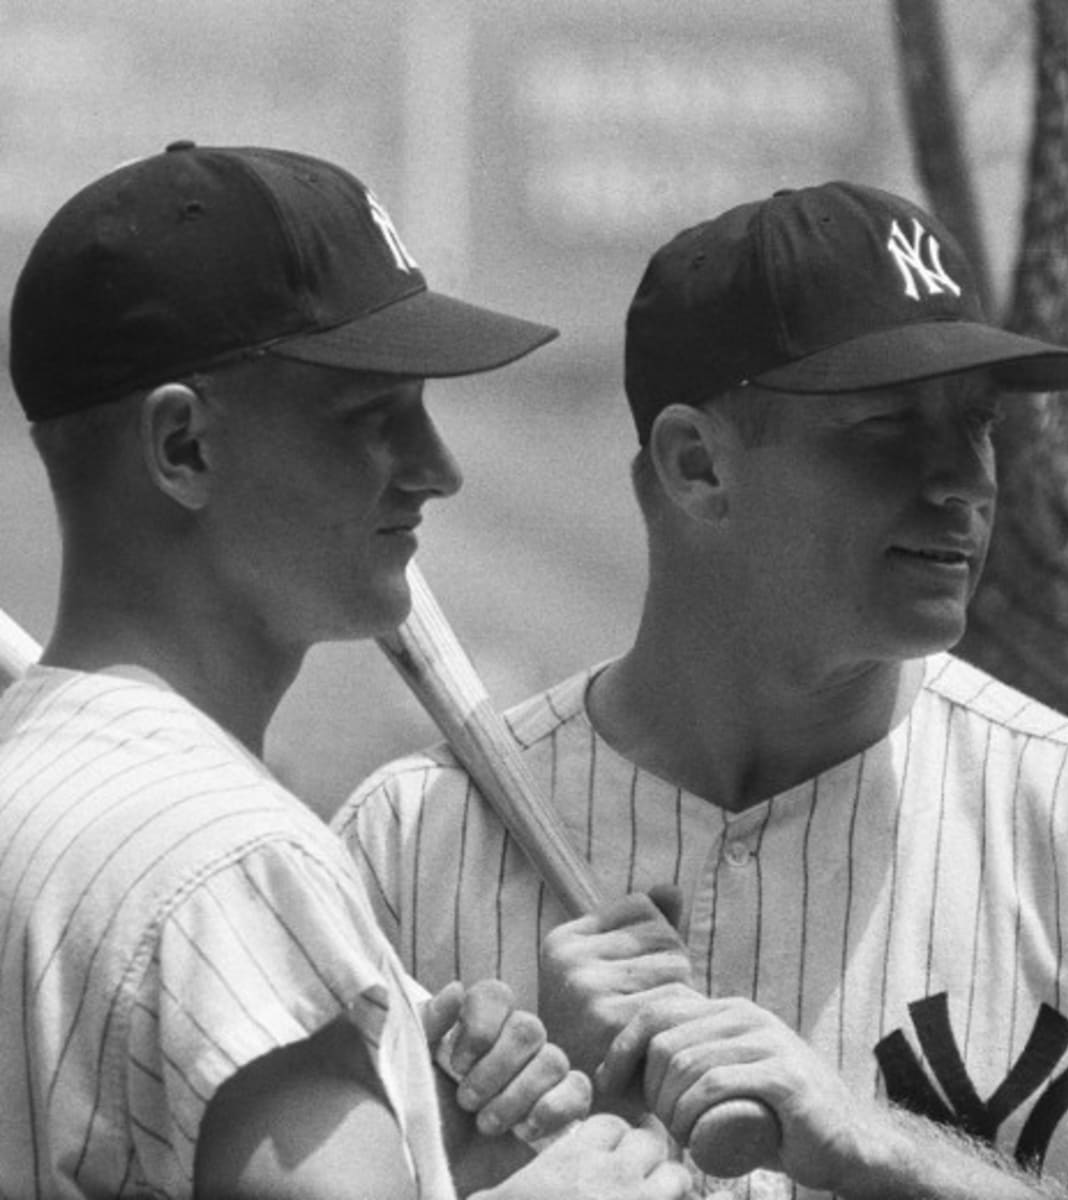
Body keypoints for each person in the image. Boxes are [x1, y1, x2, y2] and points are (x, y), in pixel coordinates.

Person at [335, 182, 1068, 1198]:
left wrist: (882, 1150)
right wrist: (466, 1158)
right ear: (698, 466)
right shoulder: (408, 846)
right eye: (887, 430)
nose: (963, 480)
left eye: (977, 425)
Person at [0, 140, 694, 1200]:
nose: (437, 468)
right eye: (372, 419)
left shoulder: (33, 796)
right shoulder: (233, 866)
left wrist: (431, 1162)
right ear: (183, 447)